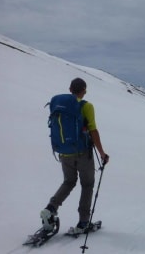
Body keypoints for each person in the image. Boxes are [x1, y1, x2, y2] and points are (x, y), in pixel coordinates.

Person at [40, 78, 109, 234]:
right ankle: (83, 222)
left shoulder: (59, 105)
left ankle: (51, 208)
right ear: (83, 90)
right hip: (82, 153)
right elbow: (93, 131)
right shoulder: (86, 106)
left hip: (64, 153)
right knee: (87, 185)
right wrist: (102, 153)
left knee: (69, 181)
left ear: (70, 89)